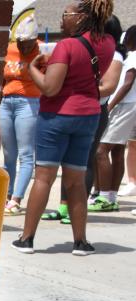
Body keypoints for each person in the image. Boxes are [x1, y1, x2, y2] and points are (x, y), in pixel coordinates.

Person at [13, 0, 118, 256]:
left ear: (81, 17)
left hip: (57, 116)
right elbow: (95, 79)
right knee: (76, 180)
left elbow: (50, 87)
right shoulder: (108, 44)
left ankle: (27, 239)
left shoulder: (67, 45)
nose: (62, 19)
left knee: (44, 178)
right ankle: (80, 241)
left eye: (66, 14)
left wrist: (32, 68)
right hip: (89, 116)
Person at [52, 14, 124, 220]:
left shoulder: (115, 56)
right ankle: (64, 206)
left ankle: (77, 209)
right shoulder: (84, 47)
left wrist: (75, 89)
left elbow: (108, 87)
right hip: (75, 107)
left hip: (94, 111)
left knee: (85, 160)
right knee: (67, 160)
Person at [0, 9, 42, 215]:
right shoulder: (10, 49)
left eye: (28, 42)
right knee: (8, 153)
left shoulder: (43, 51)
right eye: (21, 42)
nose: (24, 46)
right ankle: (5, 195)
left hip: (29, 102)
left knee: (26, 153)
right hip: (7, 101)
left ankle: (16, 199)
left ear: (35, 39)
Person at [91, 24, 136, 211]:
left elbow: (127, 84)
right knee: (116, 152)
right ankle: (109, 195)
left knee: (101, 150)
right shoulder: (126, 54)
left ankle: (105, 197)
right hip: (122, 104)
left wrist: (110, 105)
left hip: (124, 105)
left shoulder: (133, 56)